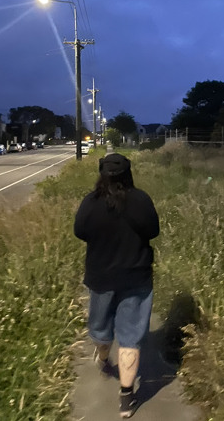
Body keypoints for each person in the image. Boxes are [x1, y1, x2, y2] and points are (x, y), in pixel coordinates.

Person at [74, 153, 160, 418]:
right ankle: (126, 397)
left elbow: (79, 231)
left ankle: (102, 358)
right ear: (128, 174)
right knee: (130, 337)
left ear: (102, 175)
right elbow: (153, 231)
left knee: (101, 329)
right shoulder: (141, 200)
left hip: (101, 278)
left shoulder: (91, 202)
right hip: (135, 278)